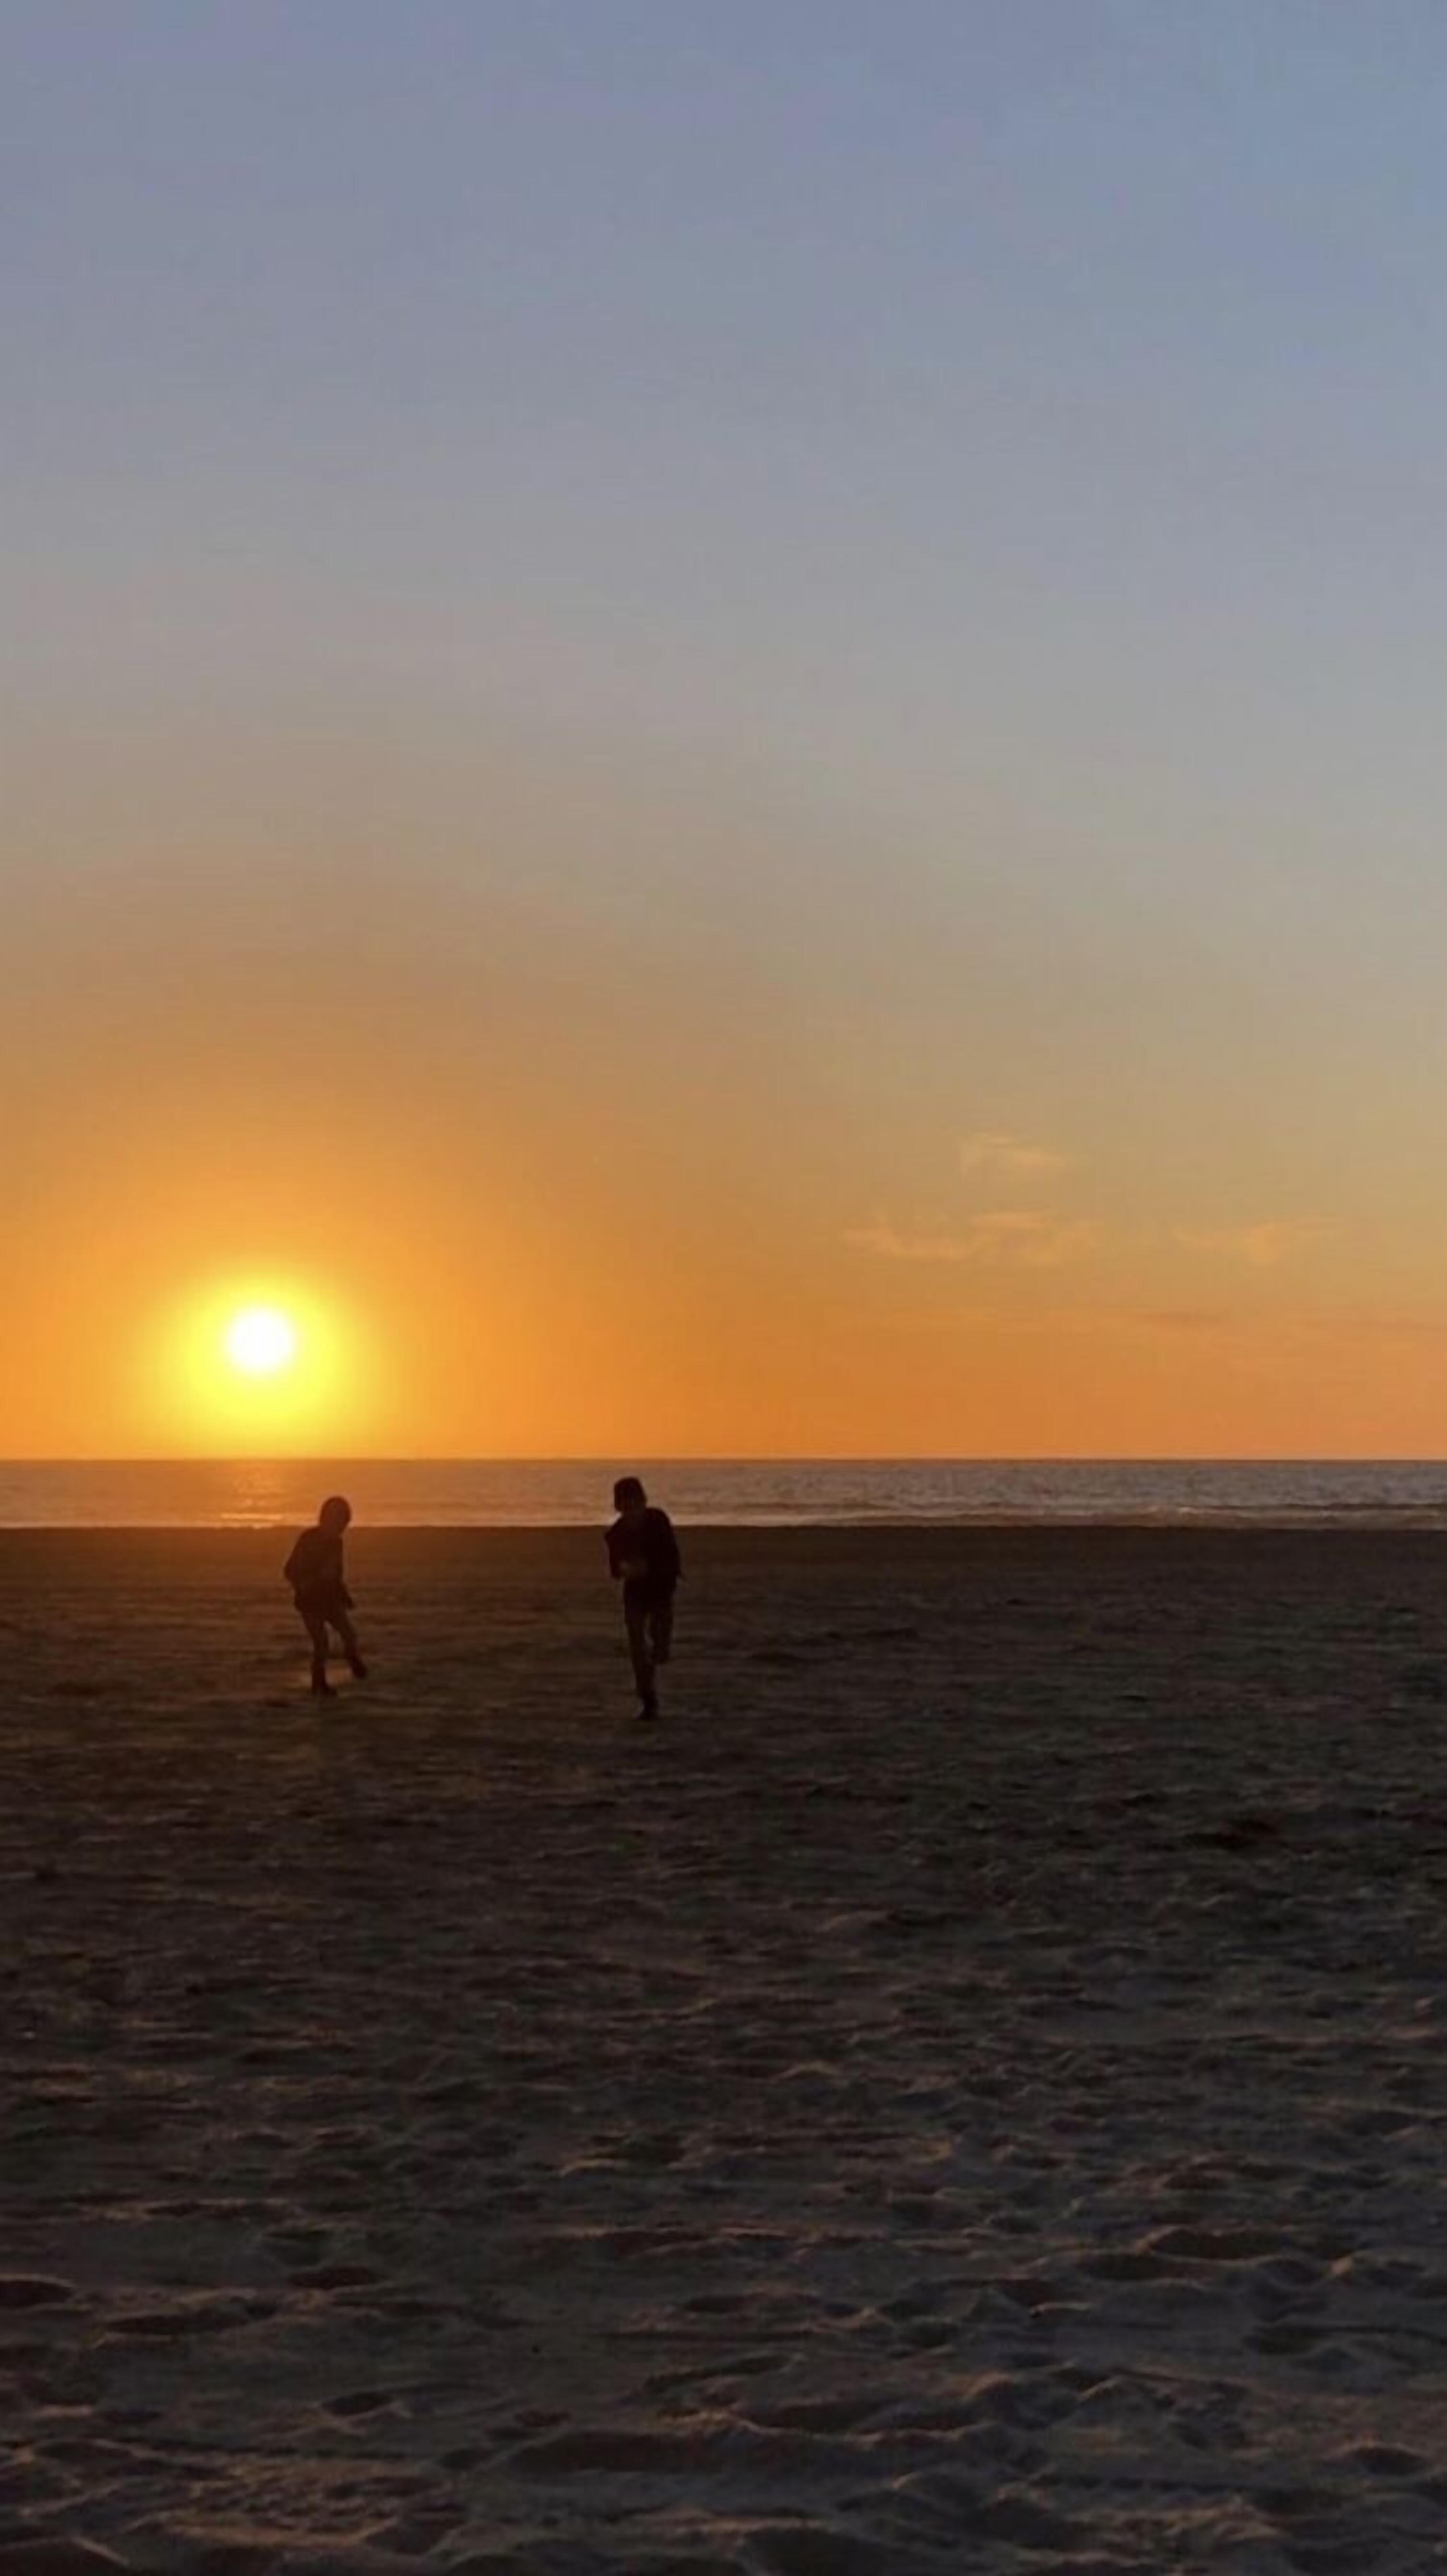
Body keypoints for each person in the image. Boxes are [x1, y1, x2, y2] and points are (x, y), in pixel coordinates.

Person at [606, 1475, 682, 1721]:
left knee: (659, 1647)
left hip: (661, 1589)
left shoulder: (658, 1521)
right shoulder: (616, 1533)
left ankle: (659, 1652)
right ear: (618, 1507)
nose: (632, 1512)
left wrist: (651, 1567)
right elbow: (615, 1570)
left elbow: (672, 1555)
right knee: (637, 1647)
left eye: (636, 1505)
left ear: (644, 1502)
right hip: (636, 1592)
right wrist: (626, 1568)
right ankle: (648, 1699)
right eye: (626, 1507)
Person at [284, 1495, 368, 1697]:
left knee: (349, 1634)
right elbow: (290, 1570)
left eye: (344, 1524)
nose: (341, 1528)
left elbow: (337, 1573)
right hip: (310, 1600)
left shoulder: (337, 1544)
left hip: (329, 1598)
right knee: (321, 1644)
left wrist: (343, 1594)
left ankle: (351, 1656)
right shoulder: (309, 1539)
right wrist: (307, 1582)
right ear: (325, 1520)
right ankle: (318, 1682)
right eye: (338, 1523)